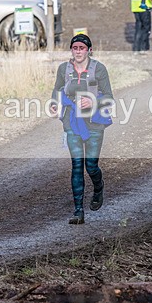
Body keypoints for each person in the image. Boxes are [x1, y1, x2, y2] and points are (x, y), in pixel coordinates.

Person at [51, 34, 113, 224]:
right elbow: (57, 89)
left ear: (89, 50)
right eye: (75, 48)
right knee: (77, 165)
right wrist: (54, 104)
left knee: (91, 166)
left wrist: (93, 100)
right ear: (71, 50)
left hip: (94, 122)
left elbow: (109, 97)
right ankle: (78, 211)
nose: (78, 51)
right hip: (72, 121)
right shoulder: (64, 69)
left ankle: (98, 187)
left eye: (82, 48)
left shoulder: (99, 68)